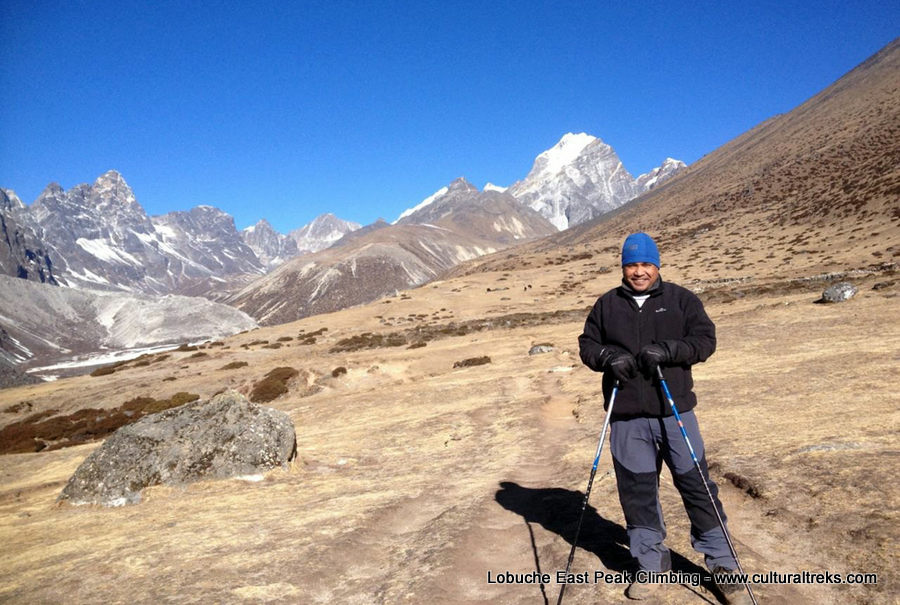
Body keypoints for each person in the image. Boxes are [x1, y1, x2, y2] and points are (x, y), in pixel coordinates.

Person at [578, 232, 751, 604]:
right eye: (631, 265)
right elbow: (587, 346)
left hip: (675, 411)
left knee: (697, 487)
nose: (639, 272)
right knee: (637, 492)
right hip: (626, 416)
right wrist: (608, 357)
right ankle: (650, 564)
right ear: (623, 267)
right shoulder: (607, 305)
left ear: (657, 265)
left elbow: (705, 341)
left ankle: (723, 566)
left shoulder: (681, 300)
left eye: (645, 264)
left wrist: (671, 350)